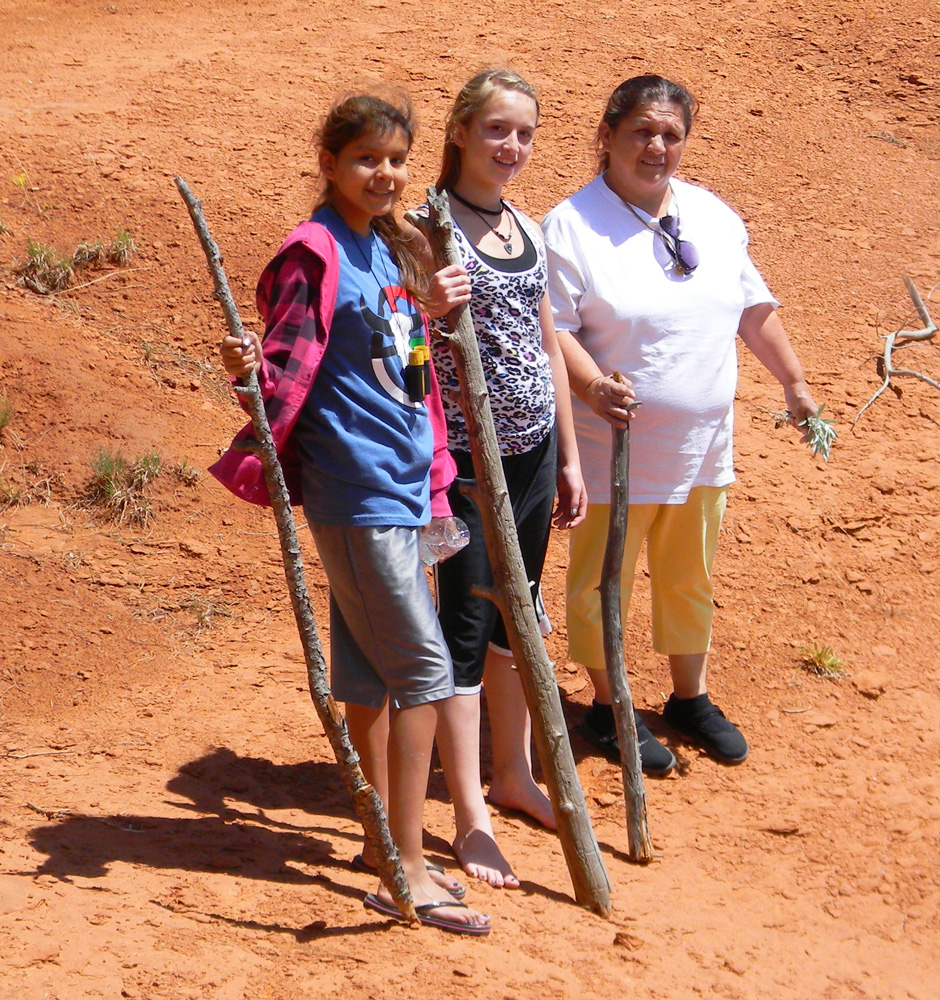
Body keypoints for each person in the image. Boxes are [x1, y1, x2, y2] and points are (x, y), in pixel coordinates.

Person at [211, 93, 489, 935]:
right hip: (357, 493)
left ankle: (381, 842)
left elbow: (402, 372)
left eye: (397, 160)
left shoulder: (390, 249)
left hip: (403, 488)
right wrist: (244, 373)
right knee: (423, 675)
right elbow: (284, 364)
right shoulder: (315, 254)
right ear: (328, 162)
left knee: (372, 675)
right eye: (367, 158)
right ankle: (404, 869)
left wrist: (428, 314)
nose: (386, 174)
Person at [542, 75, 820, 776]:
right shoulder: (570, 227)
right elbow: (556, 330)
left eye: (670, 134)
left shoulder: (712, 216)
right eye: (640, 131)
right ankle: (608, 706)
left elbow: (750, 306)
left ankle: (688, 697)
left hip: (700, 448)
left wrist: (793, 382)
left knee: (687, 576)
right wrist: (594, 385)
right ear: (605, 136)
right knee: (602, 583)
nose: (656, 146)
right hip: (614, 452)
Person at [409, 69, 586, 884]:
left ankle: (513, 776)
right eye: (495, 130)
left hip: (534, 452)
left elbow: (547, 341)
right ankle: (468, 814)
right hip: (464, 463)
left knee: (522, 615)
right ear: (458, 133)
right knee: (467, 625)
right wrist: (424, 313)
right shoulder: (423, 227)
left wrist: (572, 455)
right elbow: (400, 343)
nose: (510, 146)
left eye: (523, 133)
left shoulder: (523, 224)